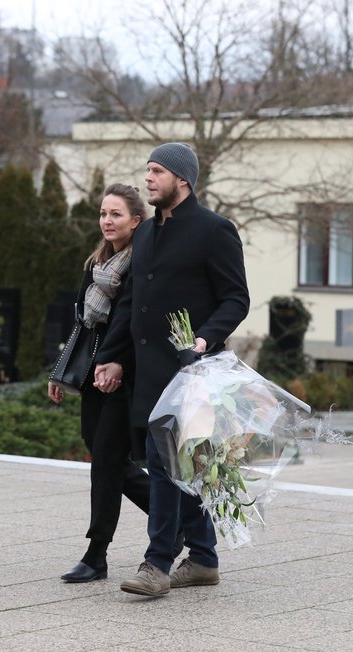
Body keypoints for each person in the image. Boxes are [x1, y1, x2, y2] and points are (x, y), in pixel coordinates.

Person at [93, 142, 250, 597]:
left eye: (157, 171)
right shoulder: (144, 235)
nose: (148, 179)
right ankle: (202, 557)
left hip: (192, 372)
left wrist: (204, 338)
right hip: (147, 373)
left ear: (182, 178)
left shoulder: (215, 230)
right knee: (185, 469)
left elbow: (236, 298)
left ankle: (156, 564)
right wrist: (116, 356)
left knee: (165, 465)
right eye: (147, 170)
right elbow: (131, 305)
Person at [48, 183, 149, 583]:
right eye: (104, 214)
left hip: (126, 377)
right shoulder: (96, 264)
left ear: (136, 221)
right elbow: (81, 325)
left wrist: (119, 363)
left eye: (116, 214)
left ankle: (96, 554)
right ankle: (179, 519)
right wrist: (60, 372)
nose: (107, 221)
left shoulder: (141, 263)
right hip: (92, 373)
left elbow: (138, 325)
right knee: (104, 454)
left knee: (107, 457)